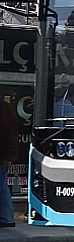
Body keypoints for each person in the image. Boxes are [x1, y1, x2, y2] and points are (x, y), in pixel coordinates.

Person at [0, 98, 20, 228]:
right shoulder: (5, 110)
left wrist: (8, 157)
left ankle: (7, 218)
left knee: (1, 186)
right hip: (3, 155)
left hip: (2, 156)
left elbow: (11, 135)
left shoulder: (5, 110)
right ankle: (6, 217)